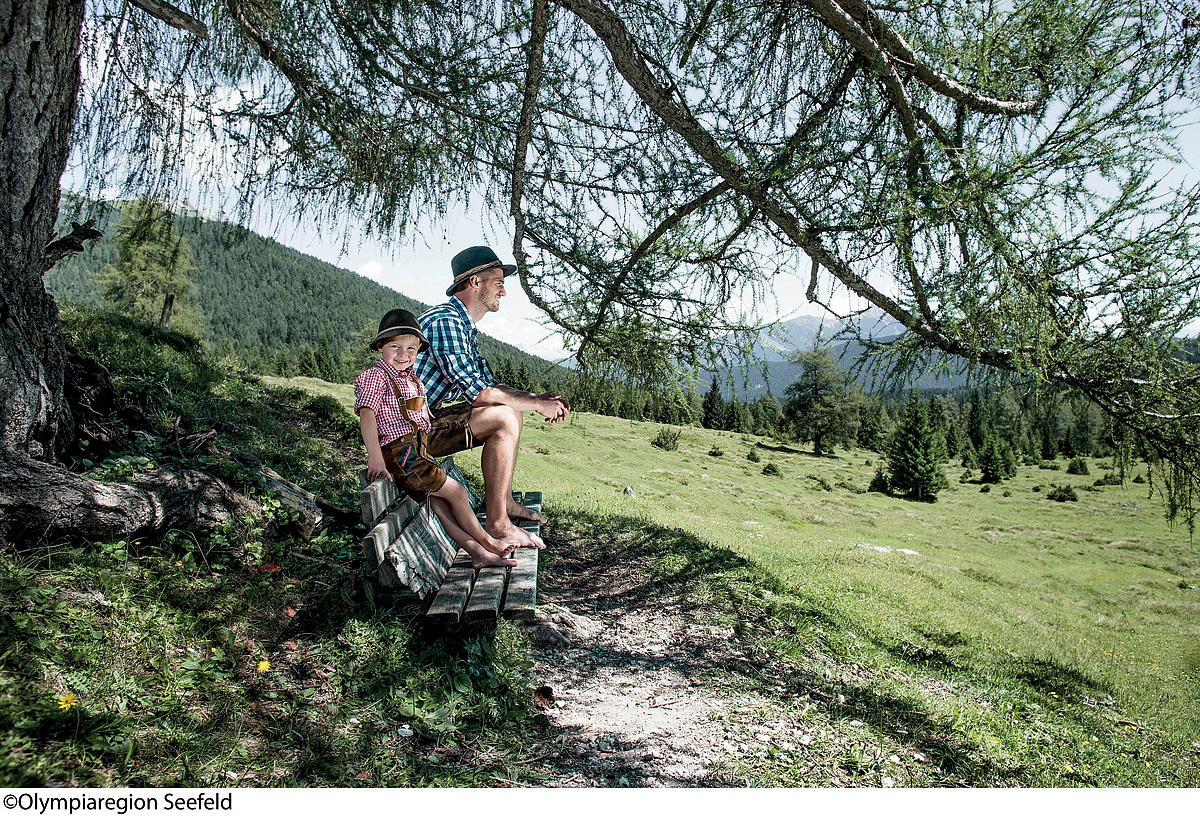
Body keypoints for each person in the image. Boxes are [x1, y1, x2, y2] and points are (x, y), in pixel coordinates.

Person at [415, 245, 569, 549]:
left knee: (511, 409)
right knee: (501, 416)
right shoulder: (446, 321)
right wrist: (539, 405)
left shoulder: (459, 323)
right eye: (498, 282)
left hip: (425, 419)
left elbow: (489, 384)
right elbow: (480, 394)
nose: (504, 291)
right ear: (475, 282)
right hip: (407, 434)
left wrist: (534, 397)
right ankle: (498, 525)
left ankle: (505, 503)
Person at [355, 308, 517, 568]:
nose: (403, 354)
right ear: (380, 347)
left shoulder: (412, 380)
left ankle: (477, 553)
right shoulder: (376, 376)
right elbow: (367, 413)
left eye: (411, 349)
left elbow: (423, 417)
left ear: (419, 350)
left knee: (442, 507)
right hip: (402, 455)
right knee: (458, 493)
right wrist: (374, 457)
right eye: (395, 347)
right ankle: (489, 542)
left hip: (416, 451)